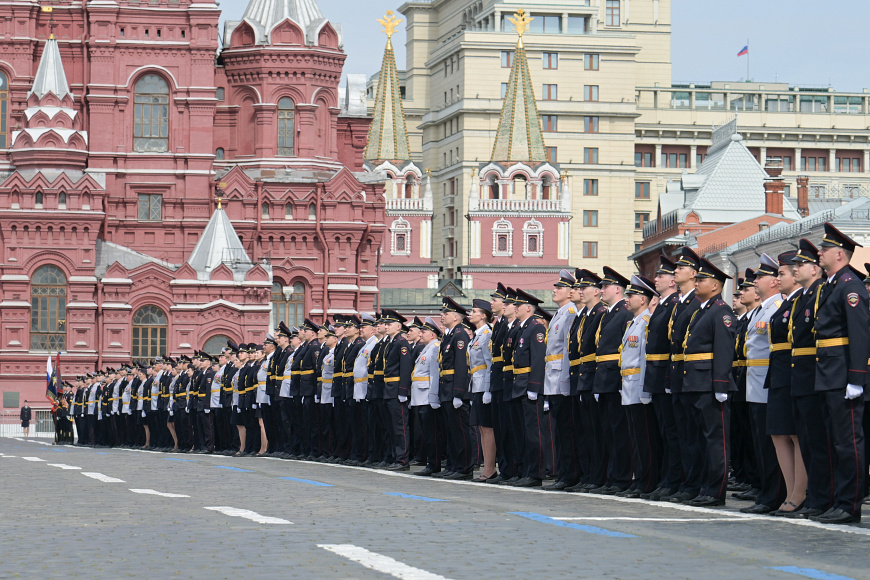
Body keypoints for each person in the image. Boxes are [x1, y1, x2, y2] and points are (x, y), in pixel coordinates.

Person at [809, 223, 869, 525]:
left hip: (843, 373)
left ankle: (850, 504)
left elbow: (859, 334)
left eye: (824, 249)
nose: (819, 253)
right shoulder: (832, 285)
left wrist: (856, 378)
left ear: (840, 254)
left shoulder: (850, 286)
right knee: (834, 441)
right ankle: (837, 500)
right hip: (828, 373)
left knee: (848, 442)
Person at [784, 238, 835, 519]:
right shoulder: (803, 297)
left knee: (818, 442)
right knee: (807, 441)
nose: (795, 268)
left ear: (815, 269)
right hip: (800, 376)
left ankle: (822, 498)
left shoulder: (820, 293)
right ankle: (815, 496)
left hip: (814, 375)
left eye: (801, 264)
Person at [680, 258, 736, 507]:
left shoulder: (721, 311)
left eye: (701, 280)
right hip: (695, 381)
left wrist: (721, 384)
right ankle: (704, 486)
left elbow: (724, 349)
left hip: (710, 384)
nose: (697, 283)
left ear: (715, 285)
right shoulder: (702, 311)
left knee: (715, 439)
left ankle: (716, 490)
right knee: (700, 439)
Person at [741, 253, 787, 515]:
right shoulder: (760, 309)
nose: (755, 281)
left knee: (770, 446)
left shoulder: (777, 307)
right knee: (759, 443)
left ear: (773, 282)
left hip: (767, 383)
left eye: (760, 276)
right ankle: (765, 491)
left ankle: (774, 495)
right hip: (754, 383)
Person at [767, 251, 807, 516]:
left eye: (781, 273)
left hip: (793, 372)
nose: (777, 279)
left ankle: (799, 493)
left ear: (795, 275)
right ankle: (790, 491)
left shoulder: (801, 301)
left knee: (795, 434)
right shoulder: (787, 303)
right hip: (779, 372)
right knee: (778, 432)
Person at [664, 247, 704, 504]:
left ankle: (693, 484)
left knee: (693, 435)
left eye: (681, 268)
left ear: (693, 274)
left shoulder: (695, 303)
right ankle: (684, 482)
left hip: (690, 375)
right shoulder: (680, 303)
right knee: (681, 434)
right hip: (677, 374)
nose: (676, 271)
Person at [591, 267, 634, 495]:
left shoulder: (624, 313)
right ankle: (612, 476)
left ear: (618, 289)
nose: (602, 290)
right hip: (603, 377)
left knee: (619, 432)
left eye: (605, 286)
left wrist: (619, 381)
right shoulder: (608, 314)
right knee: (608, 431)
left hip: (614, 377)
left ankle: (621, 477)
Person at [643, 257, 681, 501]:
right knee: (664, 433)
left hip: (665, 373)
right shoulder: (663, 306)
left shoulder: (673, 305)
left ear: (673, 281)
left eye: (661, 275)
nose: (656, 279)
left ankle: (672, 480)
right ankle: (666, 479)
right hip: (656, 375)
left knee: (672, 433)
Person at [621, 275, 661, 498]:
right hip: (628, 386)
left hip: (638, 385)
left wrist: (645, 388)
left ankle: (648, 480)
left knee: (645, 438)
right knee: (635, 437)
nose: (627, 299)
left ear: (644, 299)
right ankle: (639, 479)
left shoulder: (646, 322)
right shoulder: (633, 323)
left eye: (632, 295)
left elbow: (645, 358)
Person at [543, 270, 577, 491]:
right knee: (559, 430)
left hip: (561, 377)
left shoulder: (570, 313)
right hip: (552, 378)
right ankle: (564, 473)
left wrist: (564, 379)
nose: (555, 290)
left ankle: (569, 474)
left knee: (566, 430)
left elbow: (567, 349)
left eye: (560, 287)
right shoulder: (559, 314)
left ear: (571, 292)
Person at [437, 296, 474, 480]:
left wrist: (459, 393)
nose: (442, 315)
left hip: (454, 389)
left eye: (446, 313)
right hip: (446, 387)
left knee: (461, 431)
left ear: (456, 317)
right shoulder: (449, 335)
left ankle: (464, 467)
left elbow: (461, 365)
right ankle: (453, 464)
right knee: (451, 431)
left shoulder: (460, 335)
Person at [467, 299, 495, 482]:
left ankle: (490, 468)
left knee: (487, 427)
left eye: (474, 311)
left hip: (484, 384)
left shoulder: (486, 335)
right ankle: (487, 467)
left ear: (484, 316)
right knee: (482, 428)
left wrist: (487, 389)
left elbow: (489, 363)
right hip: (476, 385)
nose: (470, 314)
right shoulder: (477, 335)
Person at [412, 317, 443, 477]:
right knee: (426, 433)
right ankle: (431, 463)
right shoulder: (427, 348)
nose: (420, 334)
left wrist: (434, 396)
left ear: (432, 335)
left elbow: (434, 374)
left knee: (432, 434)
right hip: (420, 396)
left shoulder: (435, 348)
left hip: (427, 396)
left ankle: (434, 464)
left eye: (423, 332)